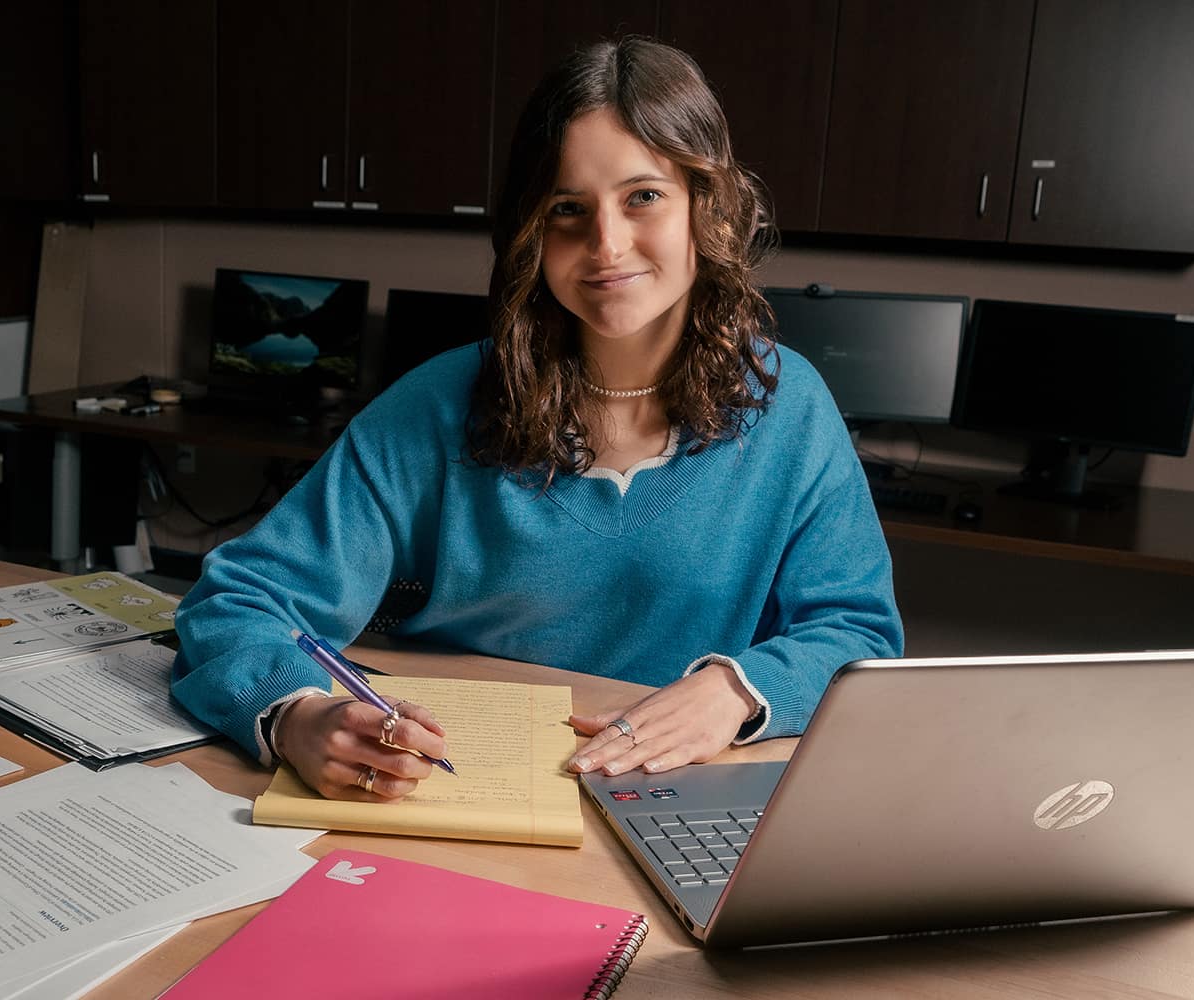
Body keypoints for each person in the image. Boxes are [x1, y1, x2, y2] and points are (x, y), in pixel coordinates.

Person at [170, 37, 902, 802]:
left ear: (705, 206)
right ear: (531, 233)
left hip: (682, 790)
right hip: (450, 787)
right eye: (567, 210)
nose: (606, 246)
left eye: (643, 196)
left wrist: (738, 692)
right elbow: (240, 599)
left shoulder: (792, 407)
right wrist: (296, 713)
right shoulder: (436, 403)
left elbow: (859, 633)